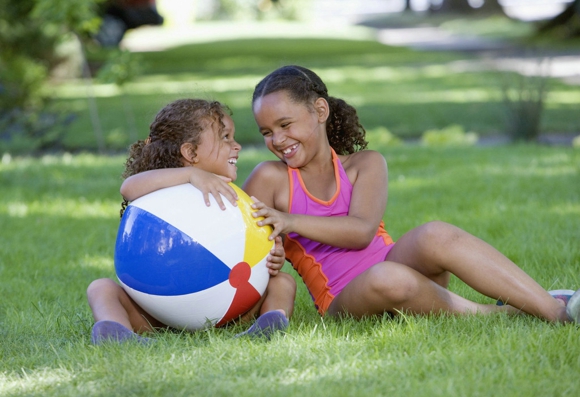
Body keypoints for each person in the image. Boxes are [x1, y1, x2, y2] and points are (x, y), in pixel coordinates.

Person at [242, 65, 580, 324]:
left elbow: (361, 232)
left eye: (286, 125)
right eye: (267, 132)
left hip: (402, 271)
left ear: (319, 111)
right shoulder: (270, 178)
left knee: (435, 233)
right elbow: (241, 246)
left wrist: (288, 221)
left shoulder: (365, 164)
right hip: (346, 299)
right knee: (388, 278)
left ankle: (555, 310)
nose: (277, 140)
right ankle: (496, 313)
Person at [87, 98, 296, 344]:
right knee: (101, 287)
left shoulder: (229, 195)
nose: (236, 145)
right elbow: (128, 187)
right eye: (226, 137)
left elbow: (243, 244)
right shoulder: (159, 188)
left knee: (282, 281)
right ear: (190, 152)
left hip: (230, 310)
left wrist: (271, 259)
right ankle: (117, 331)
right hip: (158, 311)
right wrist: (191, 174)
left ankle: (270, 322)